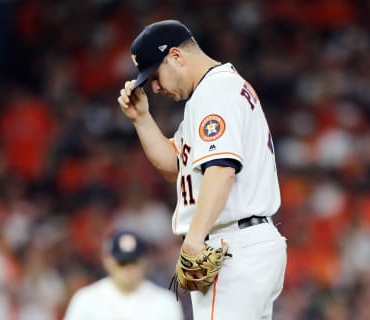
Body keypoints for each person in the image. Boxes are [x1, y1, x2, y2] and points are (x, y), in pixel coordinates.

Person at [117, 20, 287, 319]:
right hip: (248, 244)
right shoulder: (218, 89)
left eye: (155, 75)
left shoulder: (215, 93)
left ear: (176, 57)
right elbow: (175, 168)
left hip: (234, 245)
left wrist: (195, 240)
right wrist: (142, 119)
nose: (154, 88)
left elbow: (221, 171)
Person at [63, 229, 184, 320]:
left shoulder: (164, 301)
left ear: (145, 262)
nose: (128, 268)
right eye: (122, 263)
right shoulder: (86, 299)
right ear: (108, 261)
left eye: (133, 262)